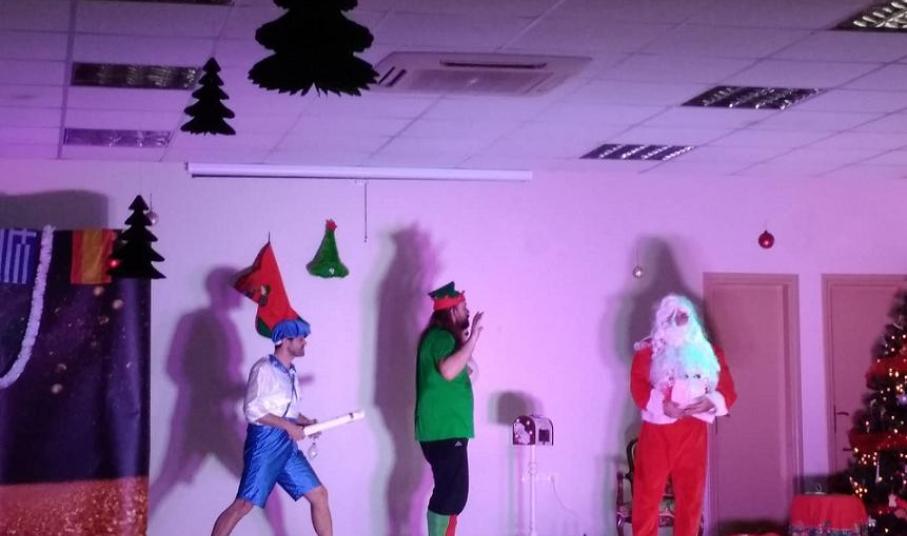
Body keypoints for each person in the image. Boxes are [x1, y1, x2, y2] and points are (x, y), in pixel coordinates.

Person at [211, 318, 332, 536]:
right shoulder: (264, 369)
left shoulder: (291, 372)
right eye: (301, 338)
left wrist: (306, 422)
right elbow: (252, 409)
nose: (305, 343)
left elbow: (287, 411)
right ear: (285, 340)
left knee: (319, 495)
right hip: (265, 443)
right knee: (244, 504)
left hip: (287, 445)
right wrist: (289, 426)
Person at [630, 294, 737, 536]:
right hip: (657, 433)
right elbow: (638, 386)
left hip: (694, 433)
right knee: (647, 496)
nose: (679, 321)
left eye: (683, 316)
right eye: (673, 316)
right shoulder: (648, 352)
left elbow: (728, 390)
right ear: (663, 321)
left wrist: (710, 402)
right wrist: (662, 405)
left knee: (691, 498)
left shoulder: (710, 353)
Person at [415, 281, 484, 536]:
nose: (468, 311)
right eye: (464, 307)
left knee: (452, 496)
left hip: (445, 429)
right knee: (451, 495)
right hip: (444, 430)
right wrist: (474, 336)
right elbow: (448, 370)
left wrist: (465, 342)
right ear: (452, 311)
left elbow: (467, 371)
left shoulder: (442, 339)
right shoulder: (440, 337)